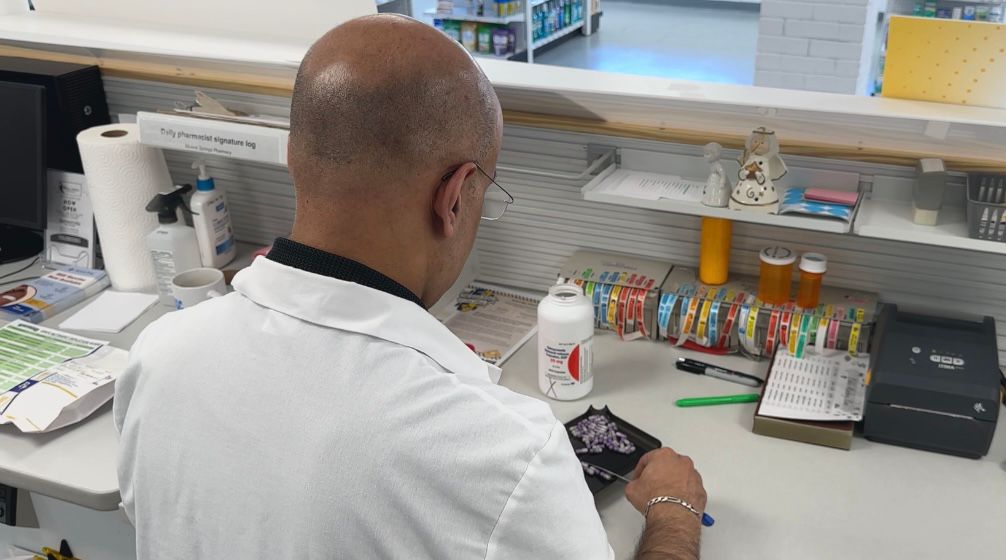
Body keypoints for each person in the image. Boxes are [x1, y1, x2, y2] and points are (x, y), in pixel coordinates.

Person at [114, 14, 707, 560]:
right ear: (452, 198)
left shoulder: (160, 355)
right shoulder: (501, 453)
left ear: (294, 157)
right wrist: (673, 513)